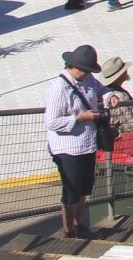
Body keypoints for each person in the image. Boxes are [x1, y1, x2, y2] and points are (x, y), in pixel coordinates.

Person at [45, 44, 122, 239]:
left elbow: (101, 88)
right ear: (76, 68)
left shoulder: (87, 79)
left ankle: (80, 224)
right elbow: (52, 121)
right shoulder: (58, 88)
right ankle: (69, 229)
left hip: (86, 145)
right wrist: (80, 118)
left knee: (84, 187)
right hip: (67, 149)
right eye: (86, 70)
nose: (88, 74)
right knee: (71, 190)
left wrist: (110, 95)